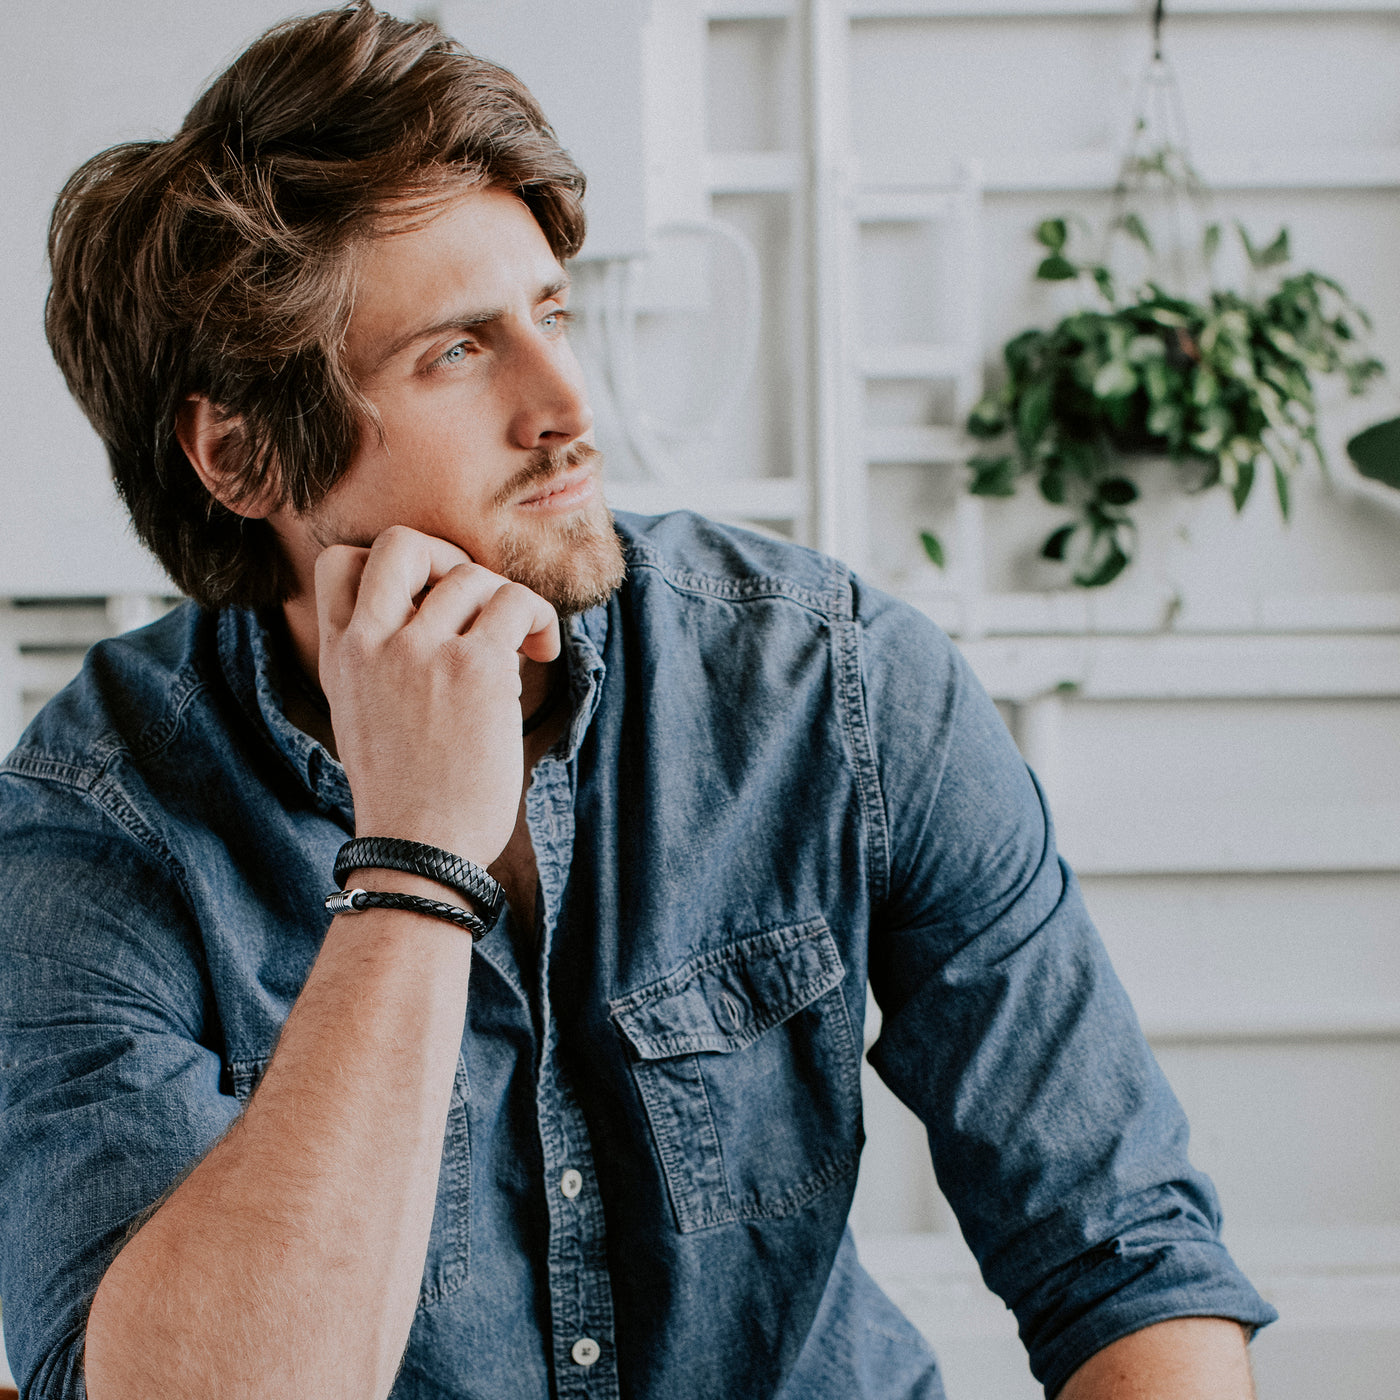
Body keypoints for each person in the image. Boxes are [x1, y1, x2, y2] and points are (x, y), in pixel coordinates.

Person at [0, 5, 1276, 1398]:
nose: (571, 406)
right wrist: (416, 866)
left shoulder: (833, 682)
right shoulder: (96, 824)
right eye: (457, 352)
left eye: (551, 312)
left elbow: (1124, 1260)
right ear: (240, 456)